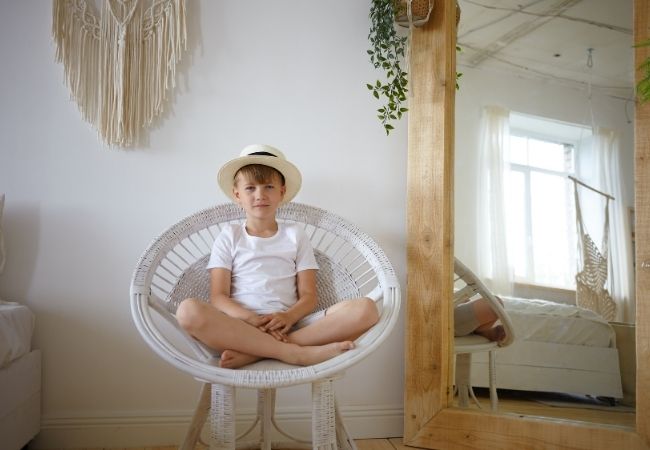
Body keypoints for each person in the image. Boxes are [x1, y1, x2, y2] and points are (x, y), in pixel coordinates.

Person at [176, 144, 379, 369]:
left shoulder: (295, 234)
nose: (260, 195)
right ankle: (294, 353)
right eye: (250, 188)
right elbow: (219, 297)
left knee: (367, 309)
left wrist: (289, 317)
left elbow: (308, 296)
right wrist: (251, 319)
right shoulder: (229, 235)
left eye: (269, 187)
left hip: (289, 324)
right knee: (187, 311)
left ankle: (257, 353)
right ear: (237, 195)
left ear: (281, 192)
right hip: (239, 326)